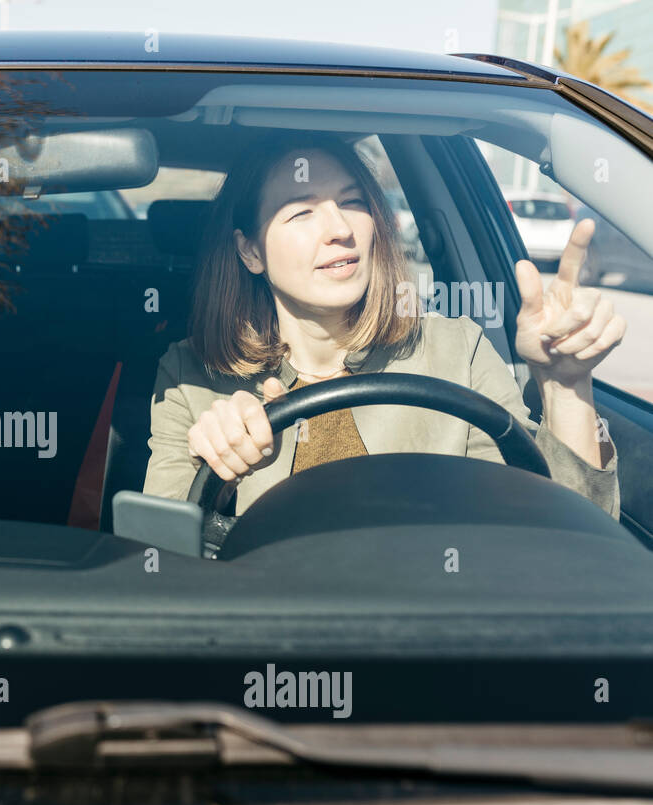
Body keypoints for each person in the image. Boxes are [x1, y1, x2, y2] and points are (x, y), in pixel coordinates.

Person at [144, 131, 622, 519]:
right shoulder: (191, 377)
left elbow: (563, 539)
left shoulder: (457, 351)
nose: (341, 229)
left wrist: (566, 387)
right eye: (303, 211)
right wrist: (219, 475)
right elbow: (158, 557)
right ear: (250, 252)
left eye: (352, 203)